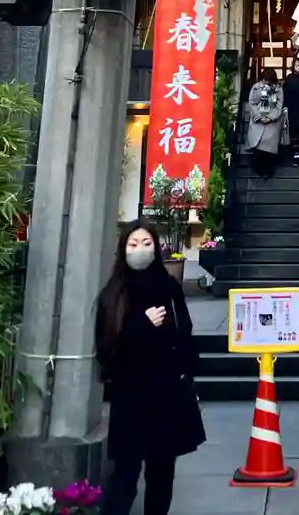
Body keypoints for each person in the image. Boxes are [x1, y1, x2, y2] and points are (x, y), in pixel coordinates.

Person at [94, 219, 206, 515]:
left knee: (162, 472)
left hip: (166, 393)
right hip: (129, 395)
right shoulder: (114, 292)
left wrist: (185, 369)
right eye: (133, 244)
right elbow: (106, 345)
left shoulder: (168, 286)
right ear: (123, 249)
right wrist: (142, 326)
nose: (140, 249)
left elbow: (184, 332)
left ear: (156, 247)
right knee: (125, 474)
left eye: (146, 243)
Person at [242, 70, 285, 178]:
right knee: (258, 148)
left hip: (272, 123)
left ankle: (268, 172)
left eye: (268, 81)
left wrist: (270, 117)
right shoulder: (256, 88)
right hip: (258, 121)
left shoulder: (278, 90)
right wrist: (259, 116)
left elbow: (278, 106)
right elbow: (252, 102)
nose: (266, 83)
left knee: (269, 150)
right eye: (265, 80)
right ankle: (258, 169)